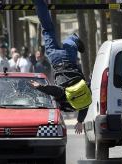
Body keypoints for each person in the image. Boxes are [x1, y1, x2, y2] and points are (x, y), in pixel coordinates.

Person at [30, 0, 90, 134]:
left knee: (69, 42)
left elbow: (85, 106)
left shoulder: (83, 99)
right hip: (56, 59)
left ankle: (73, 39)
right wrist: (40, 87)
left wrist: (80, 121)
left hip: (71, 59)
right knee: (48, 29)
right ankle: (39, 2)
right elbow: (55, 91)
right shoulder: (66, 96)